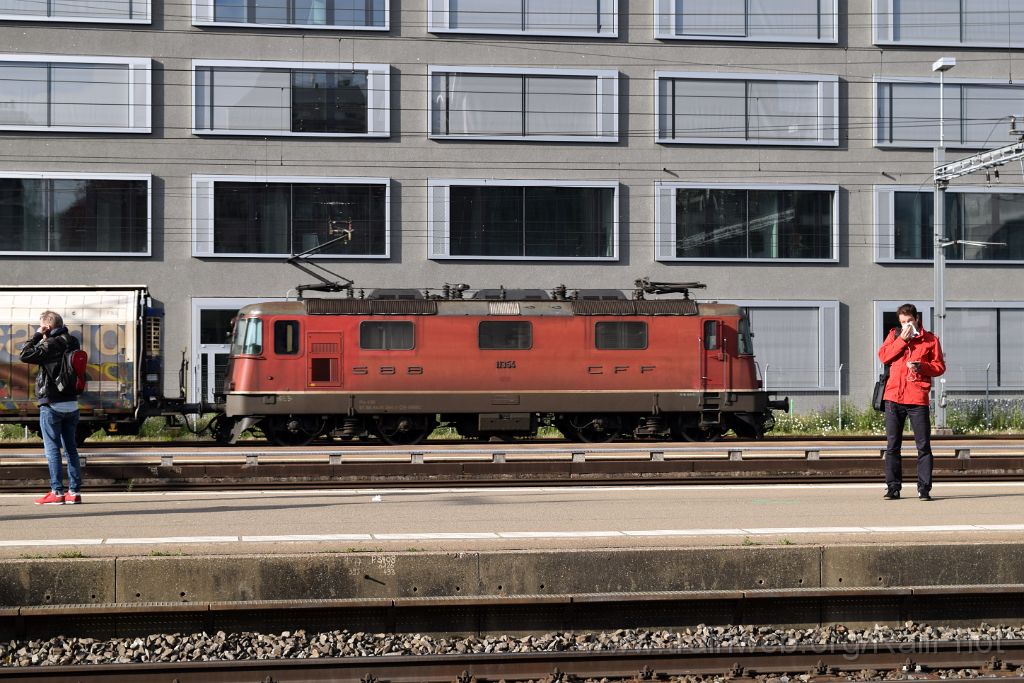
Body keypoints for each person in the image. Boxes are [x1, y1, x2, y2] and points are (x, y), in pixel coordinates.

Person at [877, 303, 946, 501]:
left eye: (909, 321)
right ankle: (893, 487)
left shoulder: (930, 339)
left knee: (923, 446)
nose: (906, 325)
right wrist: (901, 340)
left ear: (916, 319)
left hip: (917, 397)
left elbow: (939, 366)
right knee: (892, 445)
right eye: (903, 322)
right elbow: (883, 356)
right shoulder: (894, 335)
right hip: (893, 397)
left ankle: (924, 488)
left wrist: (922, 367)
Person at [20, 310, 83, 505]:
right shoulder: (73, 342)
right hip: (72, 404)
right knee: (71, 449)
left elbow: (25, 354)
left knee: (53, 450)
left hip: (52, 404)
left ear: (47, 325)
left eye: (42, 325)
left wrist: (39, 335)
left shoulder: (49, 344)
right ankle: (74, 492)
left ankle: (57, 492)